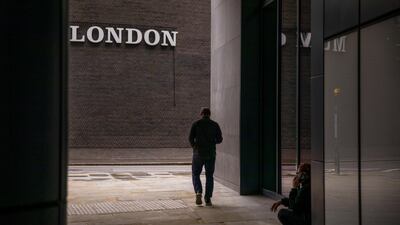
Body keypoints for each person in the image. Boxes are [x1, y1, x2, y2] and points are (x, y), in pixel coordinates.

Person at [189, 107, 223, 206]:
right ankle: (208, 199)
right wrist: (212, 142)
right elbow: (220, 139)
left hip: (198, 153)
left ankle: (198, 191)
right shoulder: (215, 125)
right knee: (209, 176)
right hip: (210, 154)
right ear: (209, 114)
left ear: (201, 114)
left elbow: (190, 138)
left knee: (195, 174)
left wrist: (195, 147)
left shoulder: (196, 124)